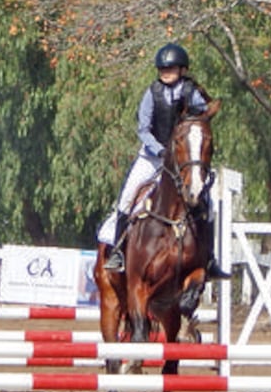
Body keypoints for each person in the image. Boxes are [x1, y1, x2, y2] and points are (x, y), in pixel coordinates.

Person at [97, 43, 230, 279]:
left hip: (184, 161)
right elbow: (143, 129)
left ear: (182, 69)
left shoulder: (192, 92)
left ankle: (209, 259)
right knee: (126, 198)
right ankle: (117, 252)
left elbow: (201, 120)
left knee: (206, 205)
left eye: (171, 68)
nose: (166, 72)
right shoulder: (152, 93)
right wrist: (160, 151)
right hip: (152, 157)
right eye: (163, 69)